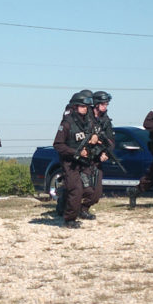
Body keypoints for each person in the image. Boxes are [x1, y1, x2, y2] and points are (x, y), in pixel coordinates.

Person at [53, 92, 101, 228]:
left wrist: (95, 138)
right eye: (82, 106)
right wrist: (76, 152)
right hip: (70, 162)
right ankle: (69, 219)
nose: (85, 108)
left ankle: (68, 197)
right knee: (76, 190)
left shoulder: (88, 122)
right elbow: (58, 145)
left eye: (86, 106)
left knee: (91, 190)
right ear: (74, 107)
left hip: (85, 162)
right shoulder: (67, 124)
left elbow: (95, 132)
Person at [76, 90, 115, 219]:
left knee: (96, 193)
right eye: (103, 104)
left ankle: (84, 209)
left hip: (97, 158)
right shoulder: (86, 117)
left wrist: (106, 153)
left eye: (107, 104)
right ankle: (68, 205)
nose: (105, 106)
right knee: (85, 188)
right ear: (96, 104)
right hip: (84, 158)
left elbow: (111, 140)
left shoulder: (105, 120)